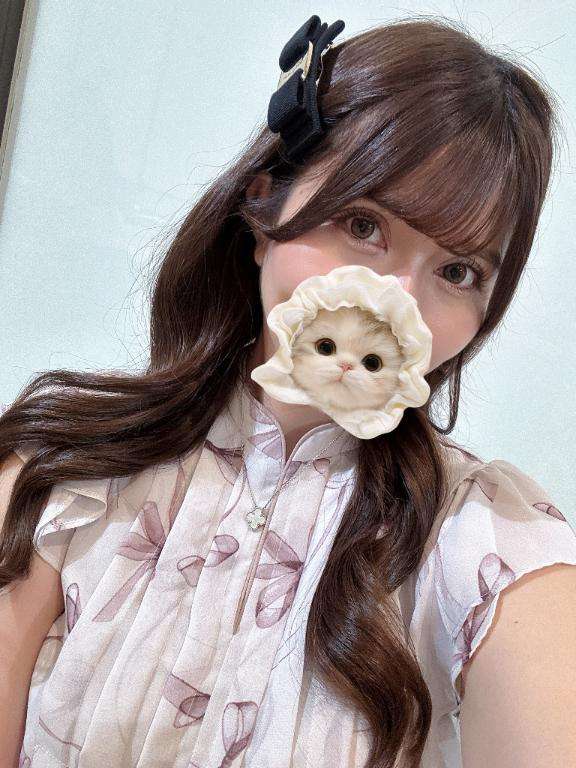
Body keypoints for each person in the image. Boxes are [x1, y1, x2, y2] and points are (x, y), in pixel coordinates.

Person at [1, 14, 575, 768]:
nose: (395, 305)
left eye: (457, 271)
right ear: (265, 207)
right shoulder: (66, 472)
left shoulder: (487, 540)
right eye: (363, 224)